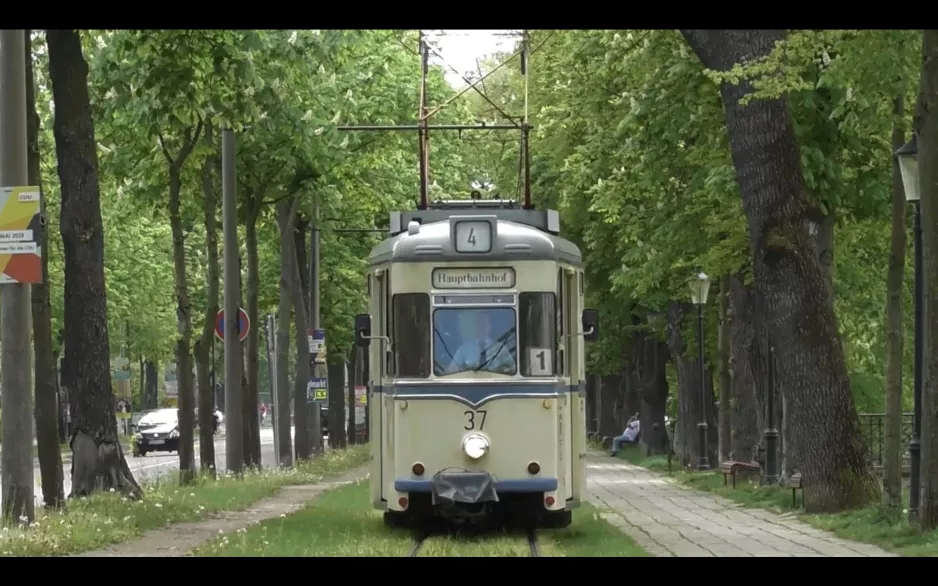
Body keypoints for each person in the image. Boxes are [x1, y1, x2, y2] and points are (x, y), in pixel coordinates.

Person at [447, 311, 514, 374]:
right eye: (479, 324)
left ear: (489, 326)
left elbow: (511, 369)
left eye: (484, 324)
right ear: (475, 327)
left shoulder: (500, 348)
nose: (481, 327)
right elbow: (451, 371)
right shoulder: (464, 349)